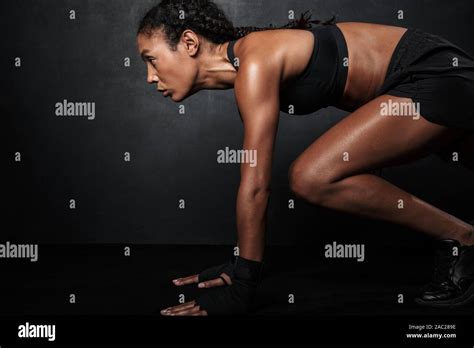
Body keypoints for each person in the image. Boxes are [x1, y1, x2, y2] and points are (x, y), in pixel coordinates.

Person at [136, 0, 474, 316]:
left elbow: (256, 185)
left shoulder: (255, 61)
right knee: (314, 175)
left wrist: (243, 285)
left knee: (310, 176)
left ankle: (464, 239)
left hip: (435, 77)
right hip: (430, 82)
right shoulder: (249, 65)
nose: (150, 77)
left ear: (190, 43)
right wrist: (241, 263)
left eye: (151, 59)